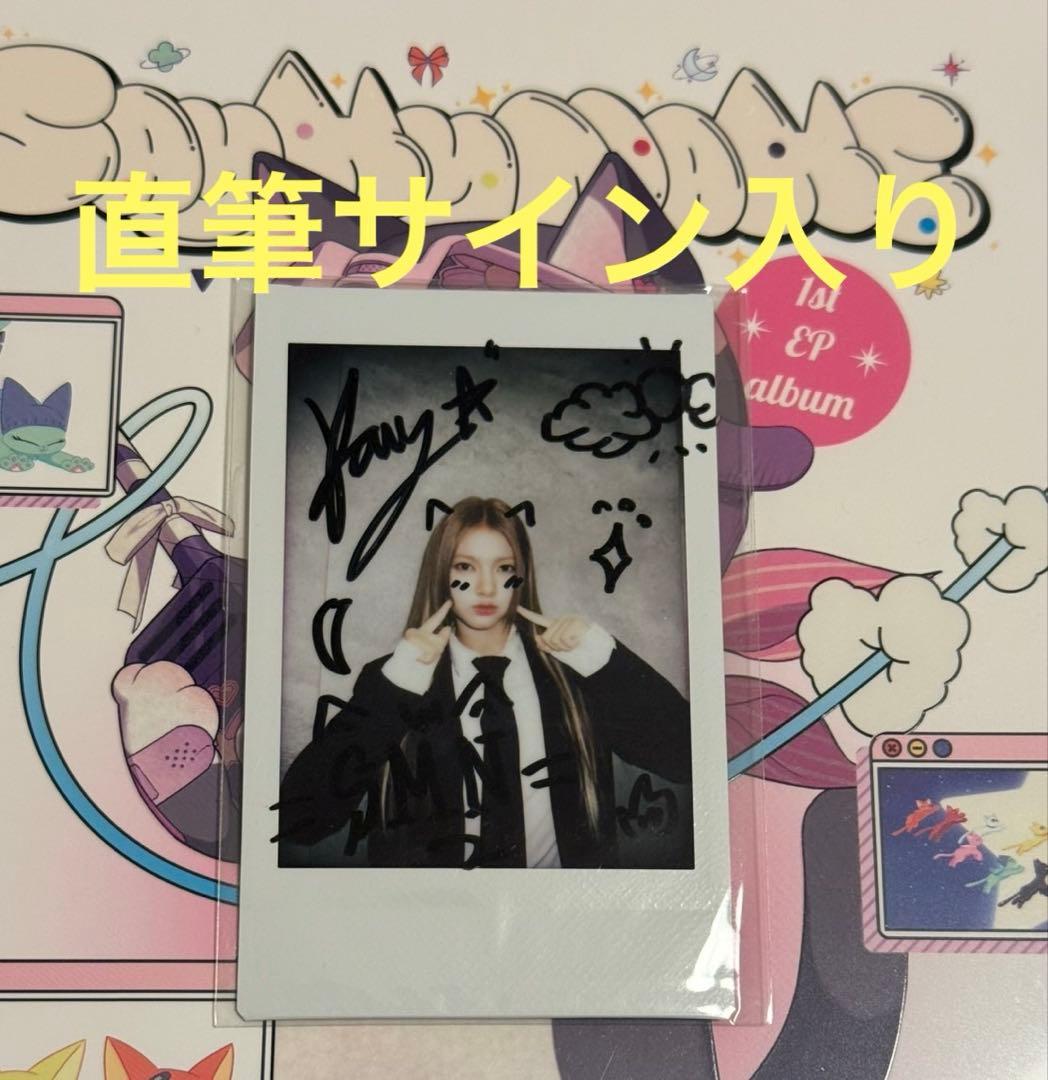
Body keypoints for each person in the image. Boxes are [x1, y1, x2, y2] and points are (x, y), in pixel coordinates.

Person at [277, 496, 692, 869]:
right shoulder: (396, 680)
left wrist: (604, 659)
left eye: (504, 568)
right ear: (441, 573)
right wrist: (394, 690)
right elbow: (301, 820)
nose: (487, 587)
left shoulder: (574, 673)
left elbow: (685, 758)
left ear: (521, 576)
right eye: (465, 567)